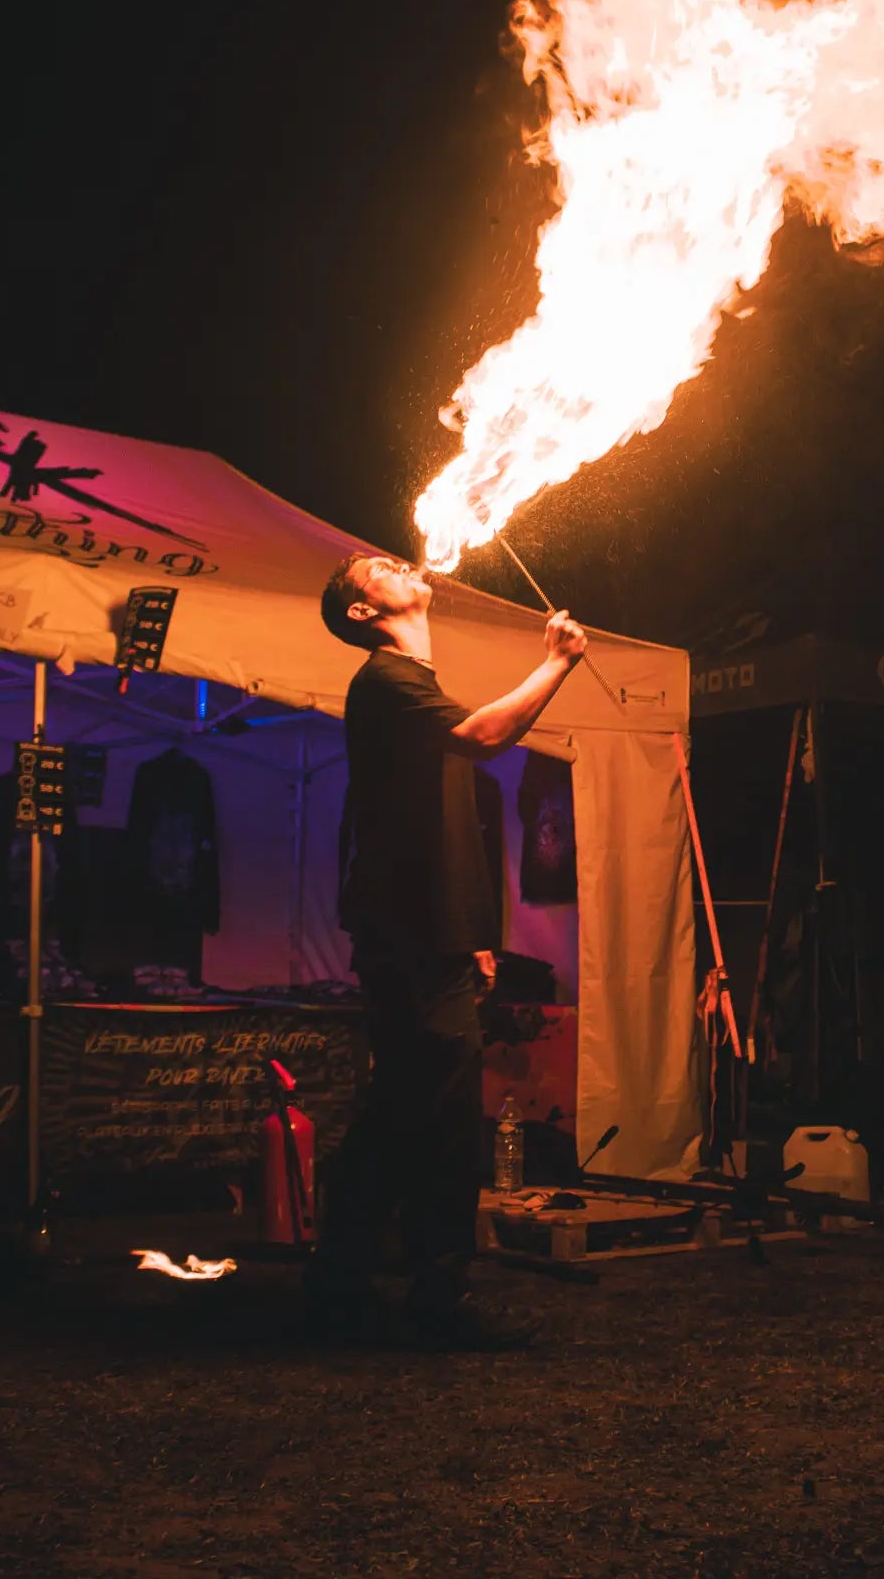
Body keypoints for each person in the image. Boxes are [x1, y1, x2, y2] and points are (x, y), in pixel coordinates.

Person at [307, 549, 586, 1349]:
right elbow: (486, 735)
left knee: (405, 1110)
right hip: (408, 935)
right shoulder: (388, 681)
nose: (398, 564)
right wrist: (556, 663)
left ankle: (352, 1281)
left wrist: (475, 940)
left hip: (432, 936)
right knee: (438, 1119)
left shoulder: (415, 687)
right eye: (375, 568)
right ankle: (427, 1289)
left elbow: (444, 829)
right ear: (362, 611)